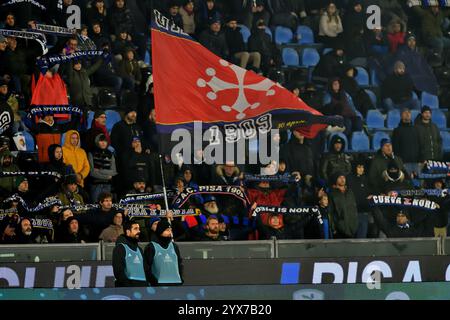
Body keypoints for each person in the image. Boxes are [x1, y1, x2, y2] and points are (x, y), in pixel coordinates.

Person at [143, 217, 183, 286]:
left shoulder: (174, 246)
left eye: (171, 230)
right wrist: (154, 282)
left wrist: (180, 279)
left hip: (176, 284)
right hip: (159, 286)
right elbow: (146, 268)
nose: (170, 233)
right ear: (160, 231)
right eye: (167, 230)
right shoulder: (151, 247)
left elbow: (179, 264)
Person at [112, 220, 147, 287]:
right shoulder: (120, 248)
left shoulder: (139, 249)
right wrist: (129, 287)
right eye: (135, 229)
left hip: (143, 288)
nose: (139, 231)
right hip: (128, 290)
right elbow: (118, 272)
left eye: (139, 229)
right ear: (128, 232)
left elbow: (145, 269)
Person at [87, 134, 117, 203]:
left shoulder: (110, 154)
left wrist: (99, 170)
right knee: (95, 206)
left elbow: (113, 171)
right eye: (101, 141)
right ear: (97, 142)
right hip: (95, 185)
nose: (103, 143)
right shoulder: (91, 153)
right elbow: (92, 172)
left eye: (105, 141)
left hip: (107, 185)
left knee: (106, 206)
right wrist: (107, 176)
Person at [328, 173, 358, 238]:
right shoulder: (332, 193)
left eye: (343, 177)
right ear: (335, 180)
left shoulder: (350, 192)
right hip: (340, 229)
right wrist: (333, 228)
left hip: (353, 228)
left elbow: (354, 208)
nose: (342, 179)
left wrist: (355, 224)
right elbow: (330, 212)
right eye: (340, 177)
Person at [392, 108, 421, 175]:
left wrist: (420, 160)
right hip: (403, 163)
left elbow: (420, 145)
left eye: (409, 113)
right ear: (401, 116)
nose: (407, 114)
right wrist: (399, 163)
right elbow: (395, 148)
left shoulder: (416, 129)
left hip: (416, 163)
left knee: (417, 184)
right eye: (405, 113)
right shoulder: (397, 130)